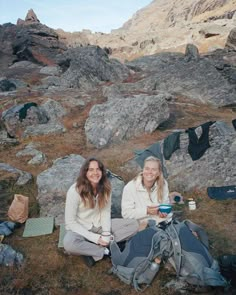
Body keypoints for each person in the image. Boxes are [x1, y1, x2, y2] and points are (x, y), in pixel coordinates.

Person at [63, 157, 138, 267]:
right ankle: (104, 251)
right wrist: (95, 238)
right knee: (68, 243)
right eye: (91, 170)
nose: (95, 173)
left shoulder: (106, 187)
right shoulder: (74, 191)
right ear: (85, 172)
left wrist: (106, 234)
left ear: (102, 172)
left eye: (98, 169)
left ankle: (93, 250)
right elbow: (70, 222)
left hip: (100, 226)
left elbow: (105, 213)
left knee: (134, 225)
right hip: (81, 228)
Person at [121, 156, 170, 225]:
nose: (150, 172)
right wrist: (146, 211)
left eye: (153, 169)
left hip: (160, 224)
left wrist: (163, 213)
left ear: (158, 173)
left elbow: (165, 205)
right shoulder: (130, 187)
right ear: (143, 170)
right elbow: (126, 214)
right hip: (140, 227)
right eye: (147, 169)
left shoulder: (163, 184)